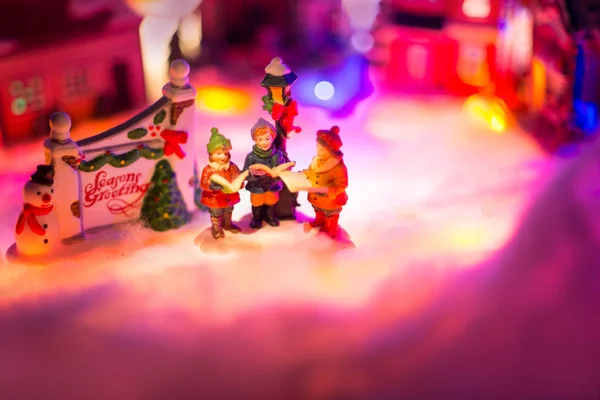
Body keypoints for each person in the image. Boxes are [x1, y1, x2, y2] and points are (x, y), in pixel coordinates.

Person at [302, 126, 348, 239]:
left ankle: (330, 227)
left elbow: (342, 184)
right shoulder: (316, 160)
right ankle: (319, 221)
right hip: (316, 196)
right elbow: (312, 172)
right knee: (318, 210)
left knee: (330, 214)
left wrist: (331, 191)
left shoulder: (338, 167)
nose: (318, 151)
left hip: (330, 200)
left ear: (331, 151)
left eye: (322, 150)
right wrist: (306, 175)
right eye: (317, 147)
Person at [243, 118, 289, 229]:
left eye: (267, 138)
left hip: (272, 185)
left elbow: (283, 166)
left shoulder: (277, 154)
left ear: (273, 138)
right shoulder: (251, 156)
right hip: (257, 187)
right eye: (260, 140)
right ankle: (256, 218)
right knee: (257, 204)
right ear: (255, 140)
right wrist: (253, 173)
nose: (264, 142)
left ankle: (270, 216)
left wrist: (282, 170)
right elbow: (244, 172)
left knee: (271, 202)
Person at [199, 128, 243, 239]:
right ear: (211, 154)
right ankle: (217, 229)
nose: (223, 157)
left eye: (225, 153)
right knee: (216, 213)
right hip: (215, 198)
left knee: (229, 210)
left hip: (229, 196)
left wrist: (239, 183)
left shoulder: (232, 167)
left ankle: (228, 224)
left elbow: (237, 177)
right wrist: (211, 185)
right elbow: (203, 183)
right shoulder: (209, 169)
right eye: (219, 153)